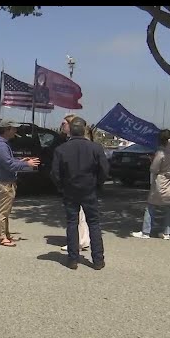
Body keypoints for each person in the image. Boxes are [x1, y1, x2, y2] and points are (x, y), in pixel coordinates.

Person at [52, 116, 109, 270]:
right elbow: (104, 170)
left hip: (70, 191)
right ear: (84, 131)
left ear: (70, 130)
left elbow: (55, 173)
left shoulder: (61, 149)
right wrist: (98, 184)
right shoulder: (95, 148)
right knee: (94, 224)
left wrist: (61, 187)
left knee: (72, 224)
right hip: (89, 190)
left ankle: (73, 259)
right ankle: (98, 260)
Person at [0, 119, 40, 247]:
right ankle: (0, 237)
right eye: (13, 128)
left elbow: (8, 161)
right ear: (7, 129)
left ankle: (5, 234)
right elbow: (9, 165)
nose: (16, 131)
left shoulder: (2, 144)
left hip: (6, 181)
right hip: (5, 182)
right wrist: (26, 164)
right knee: (3, 211)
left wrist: (21, 160)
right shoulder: (1, 146)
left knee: (6, 210)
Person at [131, 129, 170, 240]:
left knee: (150, 206)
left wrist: (152, 161)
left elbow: (154, 168)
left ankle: (146, 231)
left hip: (161, 180)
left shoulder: (162, 152)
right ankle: (167, 232)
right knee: (168, 207)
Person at [57, 114, 90, 253]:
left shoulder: (76, 143)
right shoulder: (70, 142)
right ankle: (83, 240)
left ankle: (77, 242)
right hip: (83, 185)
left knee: (77, 216)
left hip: (76, 184)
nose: (62, 126)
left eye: (64, 124)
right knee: (81, 215)